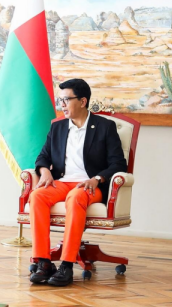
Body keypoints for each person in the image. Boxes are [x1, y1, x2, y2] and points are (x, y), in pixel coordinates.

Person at [29, 78, 127, 287]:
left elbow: (118, 163)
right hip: (62, 182)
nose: (62, 105)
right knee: (37, 196)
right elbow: (43, 156)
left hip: (89, 185)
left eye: (66, 100)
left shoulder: (105, 127)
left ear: (82, 101)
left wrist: (97, 179)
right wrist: (44, 171)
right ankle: (43, 261)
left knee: (75, 197)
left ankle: (66, 265)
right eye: (60, 100)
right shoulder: (57, 127)